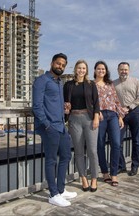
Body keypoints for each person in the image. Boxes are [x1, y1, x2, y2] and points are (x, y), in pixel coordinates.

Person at [32, 53, 77, 207]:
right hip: (49, 127)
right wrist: (46, 125)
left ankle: (61, 189)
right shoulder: (41, 81)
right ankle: (53, 194)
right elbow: (37, 106)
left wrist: (65, 110)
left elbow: (53, 104)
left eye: (63, 65)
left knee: (66, 156)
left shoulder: (59, 82)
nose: (61, 67)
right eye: (58, 63)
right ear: (52, 63)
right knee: (51, 160)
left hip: (60, 125)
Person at [63, 59, 100, 192]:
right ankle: (83, 178)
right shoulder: (68, 85)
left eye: (84, 68)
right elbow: (65, 102)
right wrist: (65, 109)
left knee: (92, 151)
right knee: (78, 152)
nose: (81, 70)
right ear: (75, 69)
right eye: (79, 68)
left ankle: (94, 178)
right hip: (74, 119)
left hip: (89, 119)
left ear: (87, 70)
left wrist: (96, 117)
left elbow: (96, 103)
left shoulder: (91, 84)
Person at [94, 61, 125, 186]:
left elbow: (116, 100)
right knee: (100, 145)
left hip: (112, 115)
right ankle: (105, 172)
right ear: (95, 70)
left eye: (103, 69)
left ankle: (114, 174)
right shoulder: (91, 84)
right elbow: (90, 102)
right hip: (100, 116)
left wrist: (120, 116)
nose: (101, 71)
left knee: (116, 144)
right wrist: (96, 112)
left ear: (106, 71)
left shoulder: (110, 84)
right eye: (99, 69)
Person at [113, 62, 139, 176]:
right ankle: (121, 166)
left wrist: (128, 107)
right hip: (120, 116)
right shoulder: (113, 84)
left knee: (136, 140)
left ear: (129, 70)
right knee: (117, 142)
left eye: (125, 69)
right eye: (121, 69)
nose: (123, 71)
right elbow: (112, 100)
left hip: (134, 112)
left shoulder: (136, 81)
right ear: (118, 70)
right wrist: (120, 110)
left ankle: (134, 166)